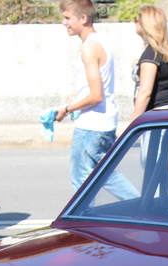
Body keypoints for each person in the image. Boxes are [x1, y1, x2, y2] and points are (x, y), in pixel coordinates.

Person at [55, 0, 136, 198]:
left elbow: (96, 95)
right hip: (103, 122)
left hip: (91, 125)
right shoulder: (100, 42)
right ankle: (142, 209)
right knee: (103, 175)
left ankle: (140, 209)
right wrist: (76, 97)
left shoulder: (89, 48)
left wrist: (67, 109)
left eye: (67, 18)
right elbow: (97, 88)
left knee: (81, 178)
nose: (64, 22)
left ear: (83, 18)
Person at [131, 3, 168, 122]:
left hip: (155, 116)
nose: (135, 22)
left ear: (145, 24)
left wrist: (133, 124)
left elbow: (145, 92)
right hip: (164, 114)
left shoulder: (151, 54)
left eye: (136, 19)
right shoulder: (160, 52)